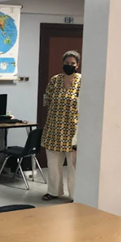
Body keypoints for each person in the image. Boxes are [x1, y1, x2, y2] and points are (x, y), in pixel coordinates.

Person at [41, 50, 81, 202]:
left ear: (77, 65)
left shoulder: (82, 81)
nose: (69, 65)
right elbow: (47, 100)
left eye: (72, 63)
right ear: (62, 64)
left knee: (74, 167)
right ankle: (54, 191)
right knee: (53, 164)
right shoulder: (55, 80)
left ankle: (75, 195)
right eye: (67, 63)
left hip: (73, 131)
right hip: (54, 129)